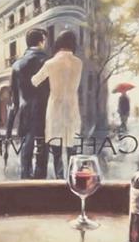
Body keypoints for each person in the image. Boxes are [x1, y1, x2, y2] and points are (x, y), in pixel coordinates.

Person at [32, 31, 85, 175]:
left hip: (55, 107)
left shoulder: (50, 63)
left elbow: (35, 80)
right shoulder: (78, 63)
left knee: (56, 149)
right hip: (72, 107)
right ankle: (72, 177)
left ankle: (60, 178)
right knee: (72, 147)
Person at [7, 28, 54, 178]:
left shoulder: (17, 65)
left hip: (25, 113)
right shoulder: (49, 62)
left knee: (26, 153)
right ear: (41, 41)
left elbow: (14, 98)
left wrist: (10, 125)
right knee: (42, 153)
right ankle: (40, 186)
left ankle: (25, 181)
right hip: (45, 113)